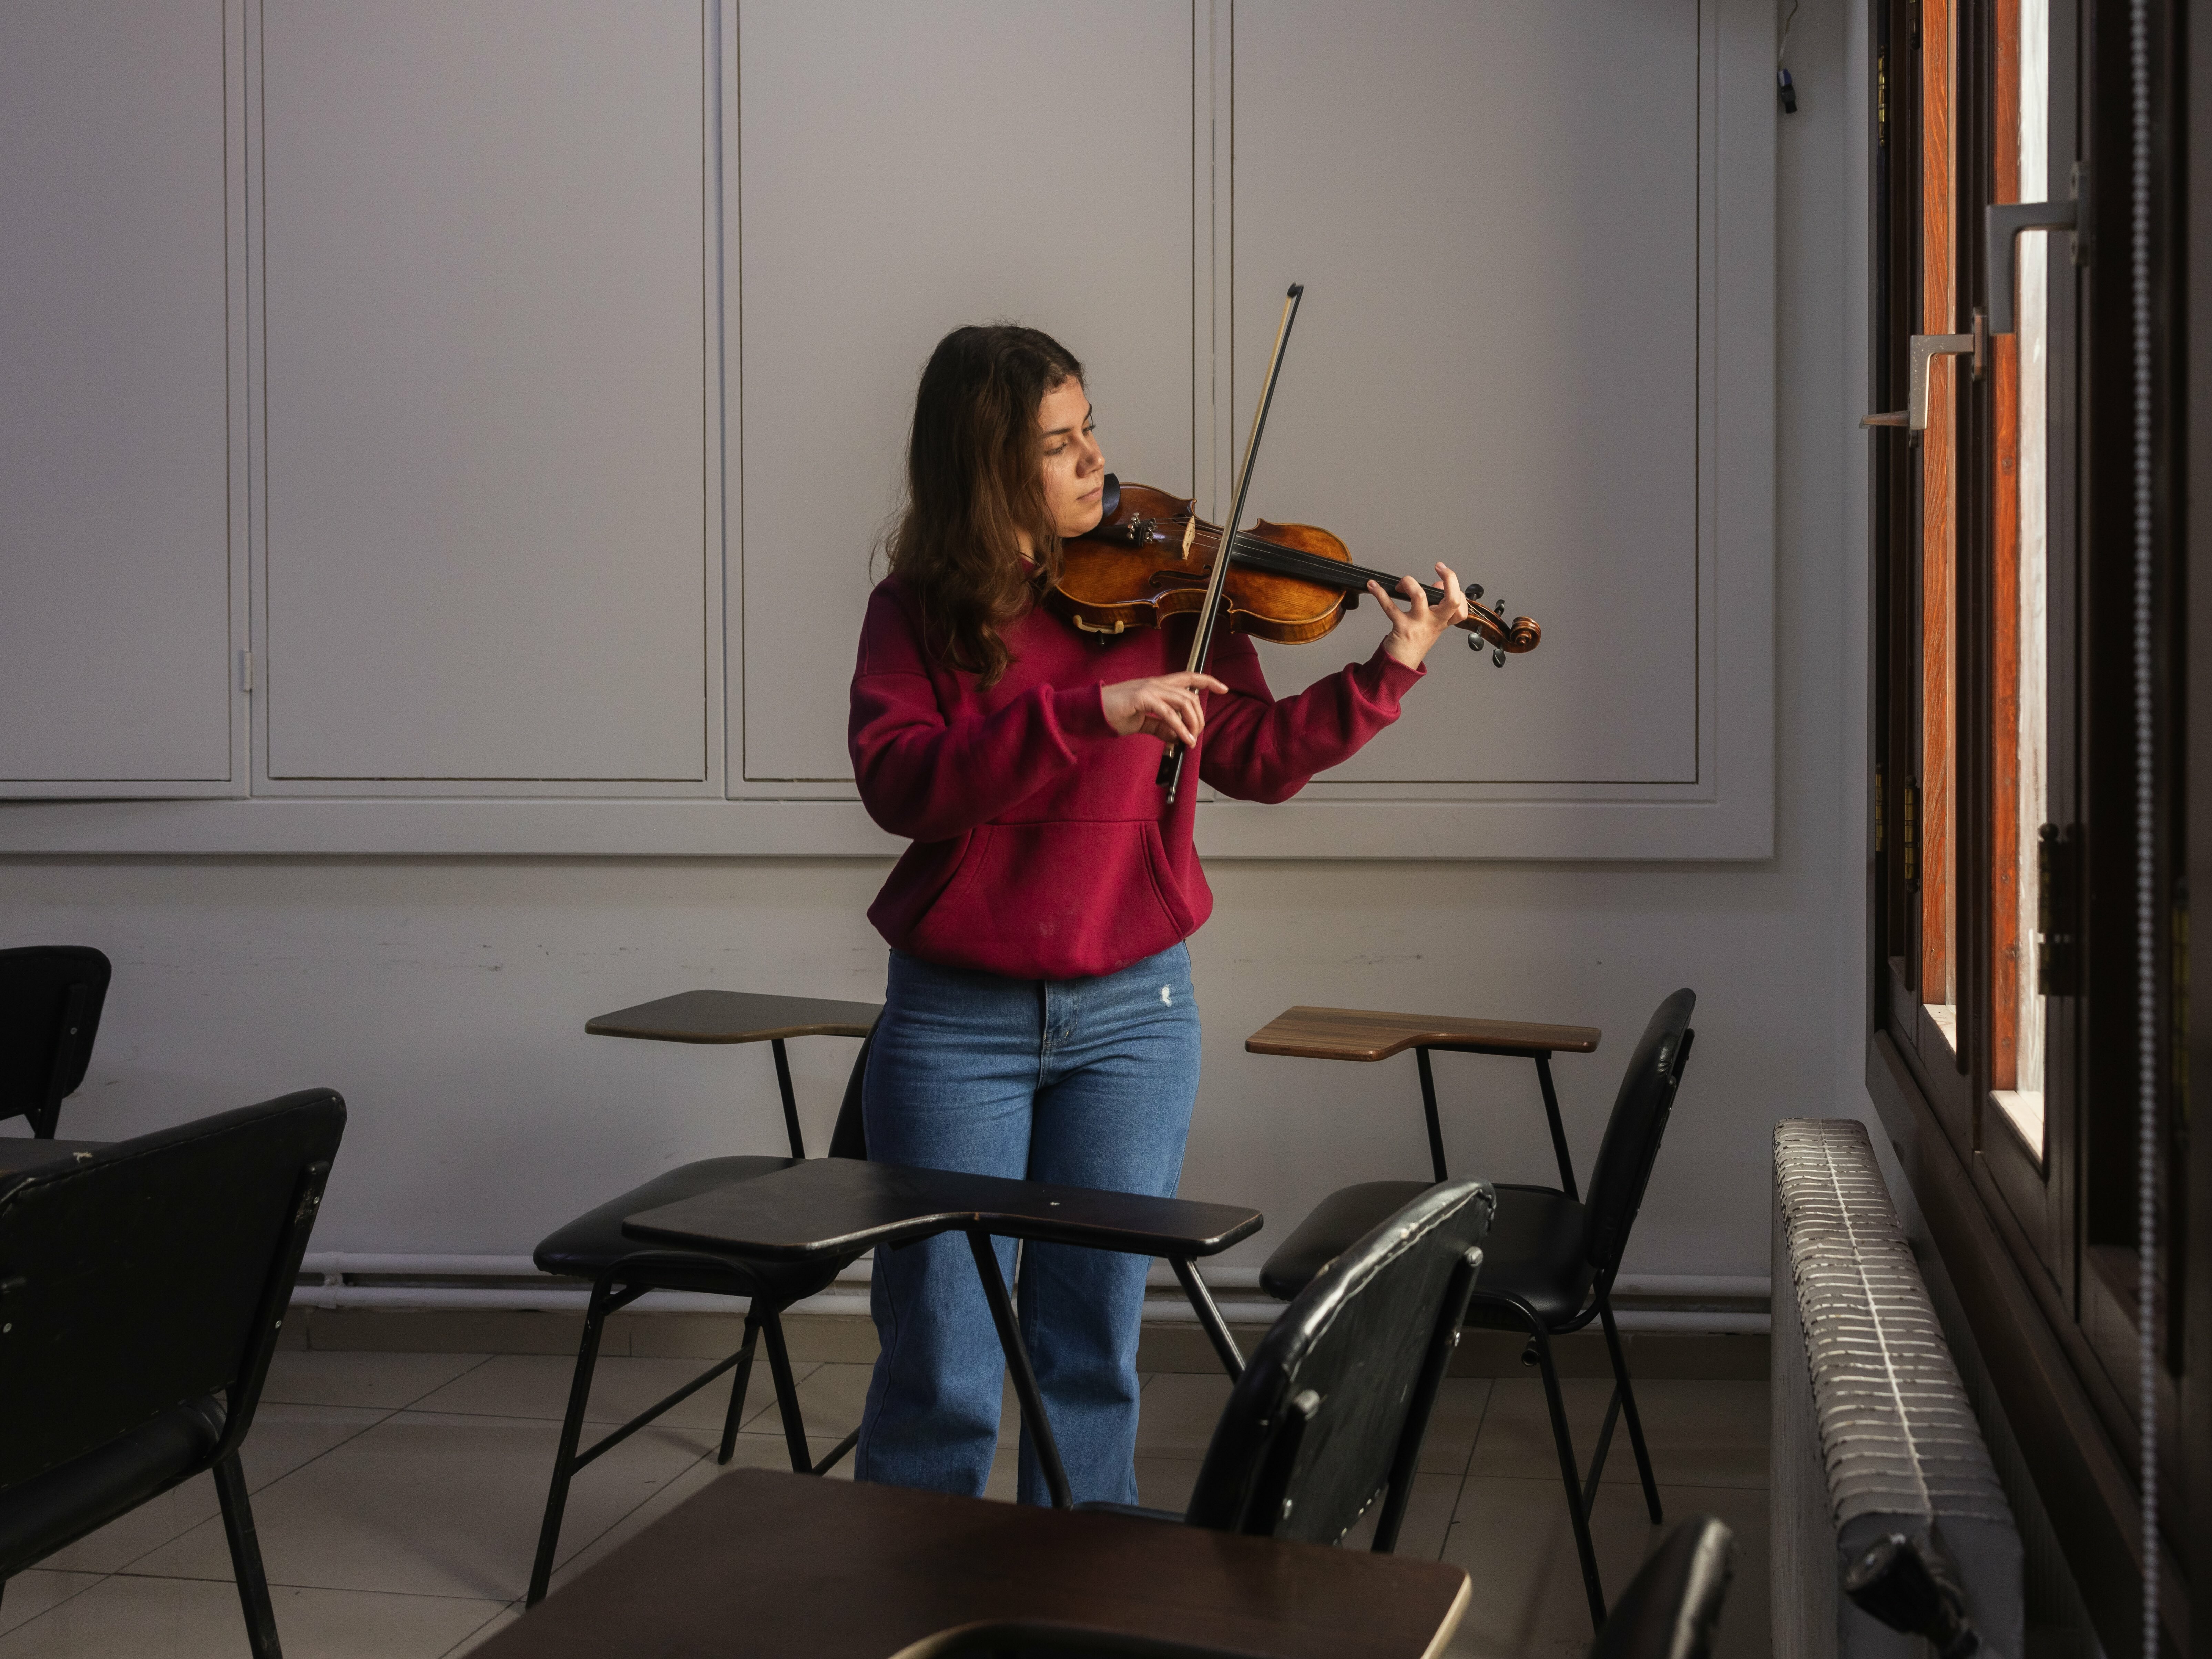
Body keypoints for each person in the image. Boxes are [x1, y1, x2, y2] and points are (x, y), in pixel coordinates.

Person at [847, 323, 1468, 1507]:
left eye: (1092, 433)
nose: (1097, 466)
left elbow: (1256, 757)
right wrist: (1092, 714)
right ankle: (908, 1608)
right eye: (1058, 445)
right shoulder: (917, 612)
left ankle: (1076, 1615)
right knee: (943, 1357)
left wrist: (1386, 670)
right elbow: (902, 786)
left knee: (1091, 1347)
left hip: (1136, 1013)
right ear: (986, 466)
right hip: (953, 1023)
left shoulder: (1173, 590)